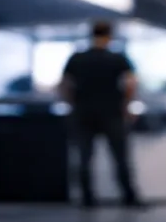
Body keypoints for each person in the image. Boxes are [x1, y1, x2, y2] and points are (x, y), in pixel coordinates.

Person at [58, 20, 140, 207]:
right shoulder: (117, 58)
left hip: (83, 112)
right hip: (112, 112)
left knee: (84, 157)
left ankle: (87, 198)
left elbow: (64, 84)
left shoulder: (77, 58)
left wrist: (72, 104)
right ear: (110, 36)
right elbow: (130, 83)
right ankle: (129, 196)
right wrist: (126, 106)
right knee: (120, 157)